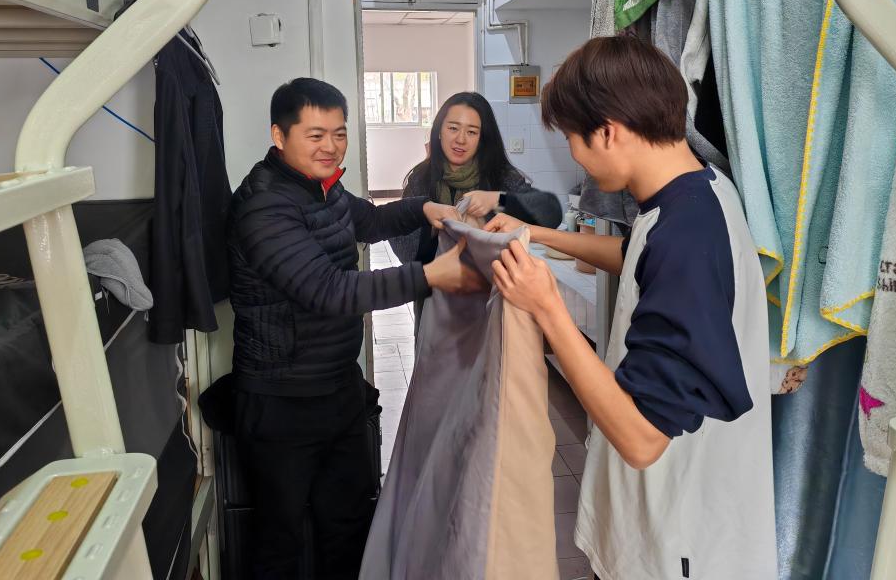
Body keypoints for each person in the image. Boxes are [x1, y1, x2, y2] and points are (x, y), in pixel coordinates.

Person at [487, 35, 776, 579]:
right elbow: (638, 253)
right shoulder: (696, 192)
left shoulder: (686, 234)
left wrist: (547, 307)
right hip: (668, 518)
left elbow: (643, 439)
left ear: (607, 131)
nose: (574, 154)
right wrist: (538, 234)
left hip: (678, 540)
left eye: (571, 138)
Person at [226, 78, 485, 579]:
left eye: (339, 133)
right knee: (279, 538)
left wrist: (422, 208)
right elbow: (329, 291)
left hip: (337, 389)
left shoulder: (324, 188)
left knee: (348, 524)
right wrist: (430, 276)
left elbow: (369, 221)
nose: (330, 146)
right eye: (315, 135)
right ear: (279, 136)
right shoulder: (264, 206)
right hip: (281, 400)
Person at [391, 91, 562, 265]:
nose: (461, 139)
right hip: (434, 279)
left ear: (482, 139)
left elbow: (550, 213)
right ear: (439, 131)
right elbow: (403, 248)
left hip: (492, 279)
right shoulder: (421, 179)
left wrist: (498, 200)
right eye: (453, 128)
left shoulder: (499, 175)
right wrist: (433, 225)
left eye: (472, 132)